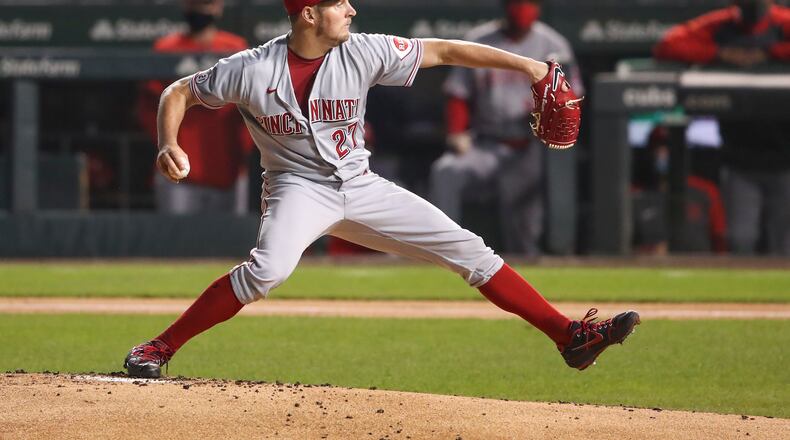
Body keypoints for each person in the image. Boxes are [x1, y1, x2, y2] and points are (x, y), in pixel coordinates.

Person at [124, 0, 639, 379]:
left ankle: (569, 337)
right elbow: (181, 91)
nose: (350, 9)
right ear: (308, 14)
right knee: (268, 271)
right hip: (297, 189)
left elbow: (445, 50)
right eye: (337, 4)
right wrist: (168, 141)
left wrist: (528, 65)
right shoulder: (251, 68)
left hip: (360, 185)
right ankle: (159, 347)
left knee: (470, 251)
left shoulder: (364, 52)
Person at [429, 0, 583, 256]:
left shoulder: (553, 45)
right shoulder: (478, 40)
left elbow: (572, 97)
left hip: (530, 148)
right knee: (446, 171)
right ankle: (443, 251)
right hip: (485, 144)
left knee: (523, 232)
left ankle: (530, 277)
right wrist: (457, 131)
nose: (522, 9)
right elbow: (458, 93)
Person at [654, 0, 790, 255]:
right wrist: (720, 53)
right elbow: (668, 44)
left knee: (785, 244)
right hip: (739, 158)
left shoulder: (782, 22)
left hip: (785, 159)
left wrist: (771, 52)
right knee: (741, 239)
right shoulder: (723, 23)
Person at [137, 0, 254, 214]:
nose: (200, 10)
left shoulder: (235, 48)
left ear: (218, 7)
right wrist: (165, 144)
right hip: (178, 170)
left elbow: (251, 109)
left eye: (206, 4)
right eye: (195, 4)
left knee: (227, 243)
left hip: (227, 168)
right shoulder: (166, 48)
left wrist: (243, 150)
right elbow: (148, 109)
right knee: (176, 242)